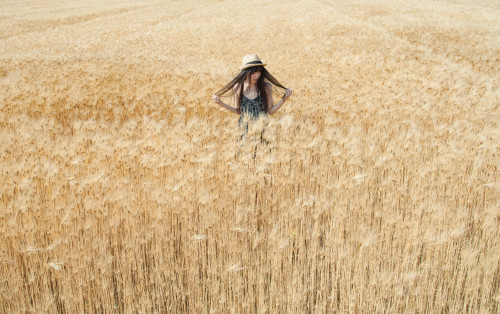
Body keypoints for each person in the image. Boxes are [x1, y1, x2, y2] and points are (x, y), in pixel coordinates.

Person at [212, 54, 293, 136]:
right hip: (244, 129)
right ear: (246, 72)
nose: (257, 76)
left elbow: (270, 111)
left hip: (263, 128)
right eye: (254, 73)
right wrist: (220, 103)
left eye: (259, 72)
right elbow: (238, 110)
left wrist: (284, 99)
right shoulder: (238, 87)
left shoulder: (266, 87)